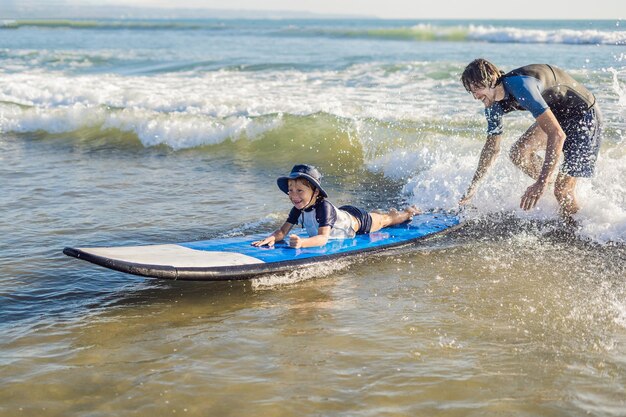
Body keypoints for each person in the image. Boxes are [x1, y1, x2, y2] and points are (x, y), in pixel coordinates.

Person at [459, 58, 602, 220]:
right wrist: (473, 187)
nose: (476, 96)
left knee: (562, 190)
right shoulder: (492, 106)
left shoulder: (520, 86)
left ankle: (579, 233)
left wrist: (540, 181)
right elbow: (492, 149)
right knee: (519, 153)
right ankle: (552, 189)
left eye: (477, 88)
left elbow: (557, 134)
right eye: (471, 91)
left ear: (491, 79)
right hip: (556, 113)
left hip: (583, 115)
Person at [251, 164, 421, 249]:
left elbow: (323, 238)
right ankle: (383, 212)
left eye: (300, 190)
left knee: (386, 220)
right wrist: (273, 237)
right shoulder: (298, 208)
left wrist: (302, 243)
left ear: (316, 192)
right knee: (380, 216)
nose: (294, 196)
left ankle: (408, 212)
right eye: (291, 190)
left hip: (359, 223)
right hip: (342, 214)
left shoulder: (323, 207)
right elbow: (283, 231)